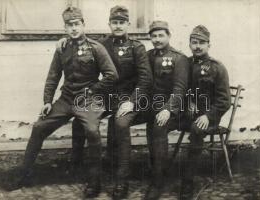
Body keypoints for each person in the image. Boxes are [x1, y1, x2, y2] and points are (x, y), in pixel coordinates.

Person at [11, 7, 118, 198]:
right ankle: (23, 175)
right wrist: (47, 101)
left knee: (93, 132)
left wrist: (93, 90)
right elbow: (53, 75)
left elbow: (112, 75)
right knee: (39, 127)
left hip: (87, 100)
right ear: (65, 28)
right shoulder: (62, 48)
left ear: (83, 25)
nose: (74, 28)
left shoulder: (96, 48)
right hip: (67, 99)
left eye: (77, 24)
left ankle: (95, 182)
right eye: (70, 25)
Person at [57, 5, 152, 199]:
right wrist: (65, 40)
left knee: (121, 123)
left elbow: (145, 80)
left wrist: (133, 102)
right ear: (109, 24)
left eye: (122, 22)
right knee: (80, 120)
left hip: (127, 98)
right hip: (105, 96)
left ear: (128, 24)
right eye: (114, 22)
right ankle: (87, 174)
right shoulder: (102, 44)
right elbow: (80, 44)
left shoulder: (137, 47)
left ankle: (122, 180)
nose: (118, 26)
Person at [179, 25, 231, 199]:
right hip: (187, 113)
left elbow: (224, 101)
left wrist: (208, 116)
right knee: (159, 124)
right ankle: (159, 174)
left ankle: (188, 182)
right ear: (189, 44)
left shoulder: (217, 68)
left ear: (209, 44)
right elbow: (179, 88)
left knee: (196, 129)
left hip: (209, 117)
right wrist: (187, 102)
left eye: (202, 42)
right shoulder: (184, 64)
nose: (198, 46)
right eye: (194, 42)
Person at [144, 21, 189, 200]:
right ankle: (157, 168)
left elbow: (179, 89)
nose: (157, 39)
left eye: (161, 35)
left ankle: (157, 182)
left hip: (176, 108)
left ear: (169, 36)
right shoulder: (148, 56)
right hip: (153, 105)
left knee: (158, 126)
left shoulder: (179, 58)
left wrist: (168, 109)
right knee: (130, 122)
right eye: (154, 36)